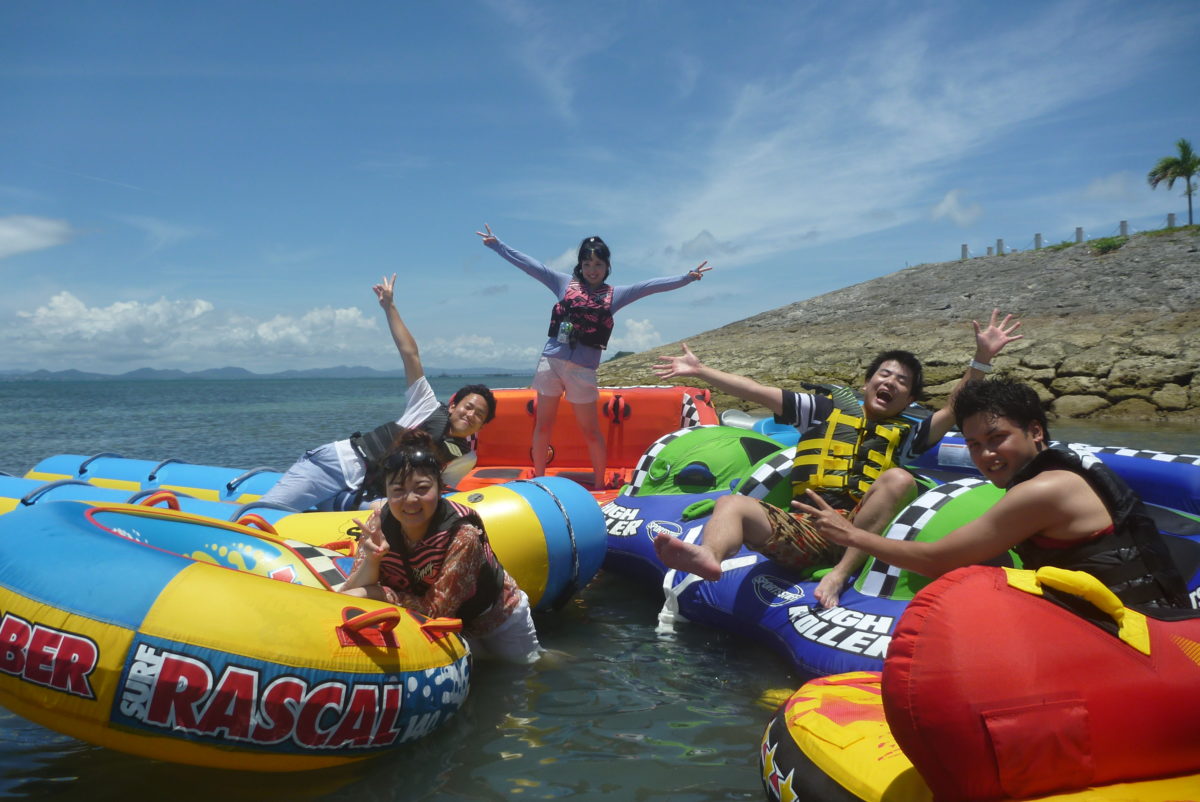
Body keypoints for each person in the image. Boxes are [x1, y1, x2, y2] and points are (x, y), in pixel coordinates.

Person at [652, 310, 1023, 607]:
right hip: (806, 527)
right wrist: (700, 371)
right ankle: (710, 556)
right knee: (732, 504)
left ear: (909, 400)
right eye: (884, 374)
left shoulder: (909, 434)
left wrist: (982, 359)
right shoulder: (820, 410)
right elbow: (756, 391)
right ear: (867, 384)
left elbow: (955, 406)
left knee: (899, 478)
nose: (890, 383)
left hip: (861, 533)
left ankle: (840, 574)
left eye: (902, 382)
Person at [795, 377, 1191, 610]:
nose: (985, 455)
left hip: (1138, 627)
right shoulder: (1059, 470)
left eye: (997, 438)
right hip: (1131, 610)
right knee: (989, 564)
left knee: (964, 582)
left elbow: (936, 560)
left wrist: (851, 534)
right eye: (973, 445)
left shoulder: (1045, 489)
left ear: (1035, 432)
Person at [477, 225, 711, 489]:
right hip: (550, 364)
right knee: (543, 426)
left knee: (591, 431)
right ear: (580, 265)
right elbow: (532, 267)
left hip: (581, 371)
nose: (592, 269)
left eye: (598, 264)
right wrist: (497, 245)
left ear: (607, 266)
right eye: (587, 264)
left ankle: (599, 485)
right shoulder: (563, 283)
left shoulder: (614, 295)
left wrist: (687, 278)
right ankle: (540, 480)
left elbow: (649, 287)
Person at [260, 274, 497, 511]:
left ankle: (330, 503)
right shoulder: (425, 404)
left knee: (397, 512)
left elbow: (438, 488)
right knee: (266, 515)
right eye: (468, 407)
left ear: (482, 426)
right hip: (337, 466)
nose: (471, 414)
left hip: (369, 493)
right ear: (453, 406)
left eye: (479, 414)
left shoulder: (466, 458)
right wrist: (389, 306)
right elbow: (410, 354)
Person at [337, 429, 544, 663]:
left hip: (497, 617)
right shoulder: (378, 526)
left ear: (440, 488)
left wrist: (382, 593)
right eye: (398, 490)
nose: (410, 500)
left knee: (524, 667)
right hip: (454, 625)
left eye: (422, 488)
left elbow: (436, 612)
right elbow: (350, 592)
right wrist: (373, 559)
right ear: (386, 492)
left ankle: (555, 659)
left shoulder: (462, 535)